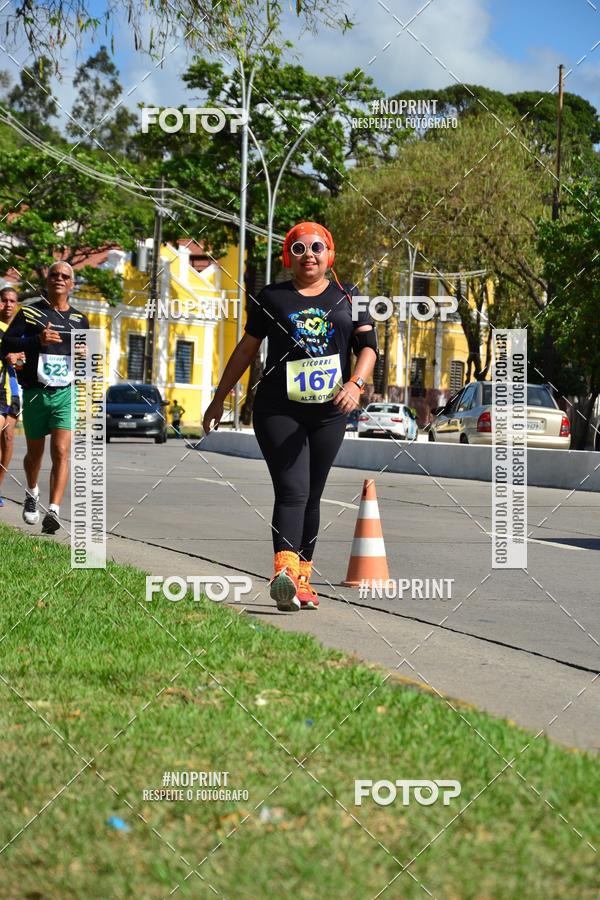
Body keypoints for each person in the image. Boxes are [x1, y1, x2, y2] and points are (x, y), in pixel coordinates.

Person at [202, 222, 378, 611]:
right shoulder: (272, 297)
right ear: (288, 257)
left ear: (329, 255)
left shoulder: (351, 296)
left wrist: (356, 384)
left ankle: (302, 580)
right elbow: (246, 350)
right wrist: (219, 399)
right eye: (299, 249)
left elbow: (368, 347)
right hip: (278, 409)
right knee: (293, 490)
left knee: (312, 494)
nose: (308, 255)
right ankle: (284, 573)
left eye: (316, 248)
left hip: (330, 412)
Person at [1, 261, 89, 533]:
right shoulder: (29, 313)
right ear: (47, 280)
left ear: (72, 284)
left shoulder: (80, 319)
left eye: (65, 276)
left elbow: (86, 361)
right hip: (35, 392)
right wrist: (37, 341)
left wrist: (85, 356)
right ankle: (32, 492)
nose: (59, 279)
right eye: (54, 275)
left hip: (66, 392)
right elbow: (7, 343)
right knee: (35, 453)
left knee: (61, 451)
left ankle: (54, 510)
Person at [0, 287, 24, 507]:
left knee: (8, 439)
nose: (8, 305)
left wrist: (19, 360)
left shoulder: (19, 332)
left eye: (12, 301)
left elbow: (23, 362)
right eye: (4, 300)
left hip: (13, 391)